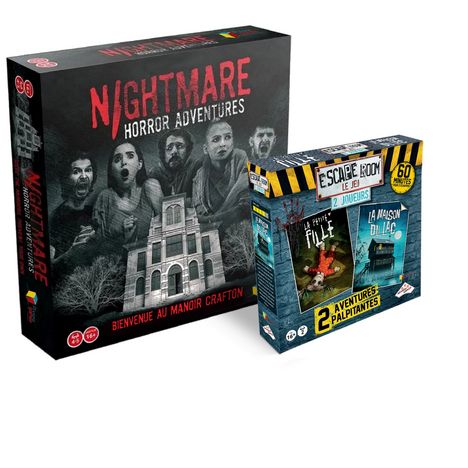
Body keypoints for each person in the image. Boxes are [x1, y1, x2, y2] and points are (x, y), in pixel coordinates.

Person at [93, 141, 163, 249]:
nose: (123, 162)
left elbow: (168, 226)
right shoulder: (105, 197)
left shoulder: (150, 187)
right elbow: (99, 245)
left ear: (139, 164)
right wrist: (124, 237)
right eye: (117, 159)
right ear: (111, 170)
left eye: (130, 156)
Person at [192, 119, 249, 233]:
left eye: (227, 137)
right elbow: (200, 215)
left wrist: (213, 219)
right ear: (205, 149)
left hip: (242, 228)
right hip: (213, 234)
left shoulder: (240, 158)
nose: (223, 144)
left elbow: (245, 204)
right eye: (216, 139)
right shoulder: (199, 177)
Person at [49, 151, 97, 272]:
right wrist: (72, 252)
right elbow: (50, 268)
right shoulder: (54, 219)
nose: (84, 176)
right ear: (66, 179)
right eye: (76, 172)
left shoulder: (94, 212)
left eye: (88, 170)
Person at [149, 128, 201, 199]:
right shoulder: (155, 174)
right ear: (163, 153)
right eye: (169, 148)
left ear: (187, 150)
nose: (174, 151)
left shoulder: (197, 168)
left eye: (180, 146)